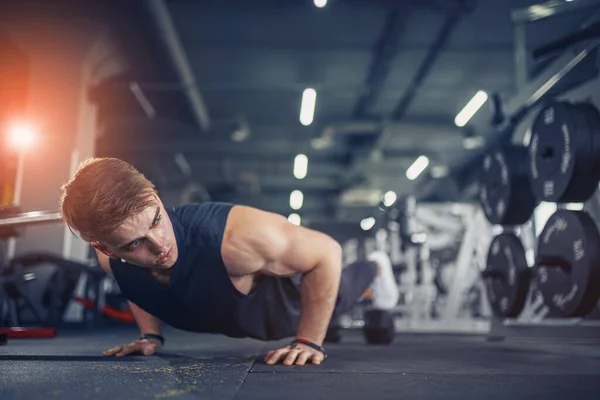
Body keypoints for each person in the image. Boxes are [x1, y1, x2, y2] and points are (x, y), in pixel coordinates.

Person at [59, 157, 399, 366]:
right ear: (106, 250)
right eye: (135, 244)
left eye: (156, 221)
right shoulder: (113, 263)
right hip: (243, 316)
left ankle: (377, 266)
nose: (160, 245)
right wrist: (152, 336)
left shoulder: (238, 237)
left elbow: (328, 251)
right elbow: (136, 284)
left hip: (289, 310)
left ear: (155, 197)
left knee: (344, 290)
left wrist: (309, 340)